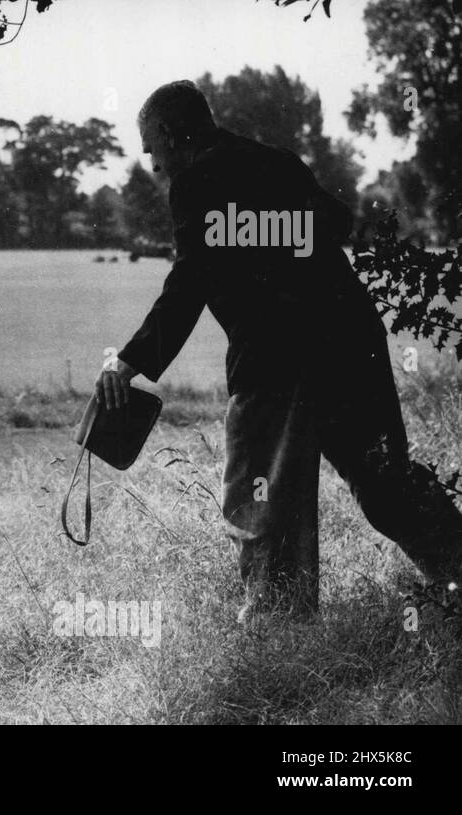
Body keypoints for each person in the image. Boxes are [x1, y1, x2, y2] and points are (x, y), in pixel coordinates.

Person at [97, 80, 462, 622]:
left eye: (152, 149)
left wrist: (129, 361)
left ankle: (276, 627)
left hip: (276, 359)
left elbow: (189, 282)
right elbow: (337, 223)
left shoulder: (195, 180)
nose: (153, 165)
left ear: (173, 135)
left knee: (260, 499)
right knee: (386, 482)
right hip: (351, 341)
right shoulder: (278, 161)